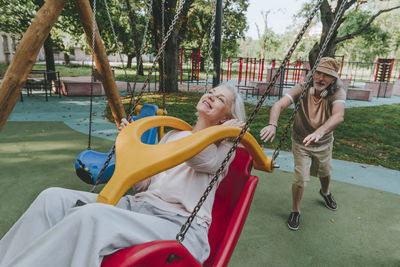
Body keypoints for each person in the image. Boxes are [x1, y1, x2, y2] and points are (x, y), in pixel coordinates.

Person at [0, 82, 246, 267]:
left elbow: (196, 156)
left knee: (92, 217)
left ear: (226, 117)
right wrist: (129, 145)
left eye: (220, 99)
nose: (211, 97)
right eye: (210, 92)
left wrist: (221, 132)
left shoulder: (224, 149)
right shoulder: (173, 136)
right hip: (138, 208)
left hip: (178, 225)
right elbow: (143, 184)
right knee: (51, 198)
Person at [260, 57, 346, 231]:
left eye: (327, 75)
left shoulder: (337, 92)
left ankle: (325, 192)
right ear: (313, 73)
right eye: (318, 73)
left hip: (323, 142)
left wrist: (320, 132)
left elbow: (338, 116)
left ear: (334, 79)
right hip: (300, 142)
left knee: (324, 172)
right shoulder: (302, 88)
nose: (321, 78)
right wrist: (272, 124)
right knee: (300, 178)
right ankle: (296, 210)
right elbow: (278, 105)